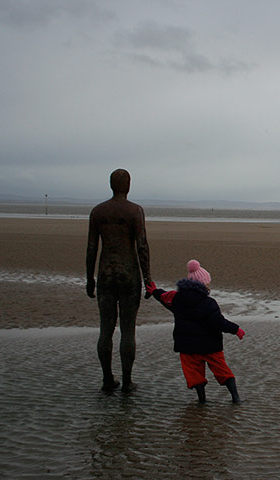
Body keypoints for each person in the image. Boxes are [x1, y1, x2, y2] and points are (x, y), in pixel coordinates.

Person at [87, 169, 151, 393]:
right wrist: (148, 278)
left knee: (105, 329)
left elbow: (92, 248)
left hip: (105, 273)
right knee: (127, 330)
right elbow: (142, 246)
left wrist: (89, 278)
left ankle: (107, 379)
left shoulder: (98, 212)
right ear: (128, 184)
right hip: (128, 274)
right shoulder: (135, 211)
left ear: (111, 184)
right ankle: (126, 380)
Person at [146, 259, 246, 403]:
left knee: (194, 374)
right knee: (222, 371)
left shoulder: (176, 299)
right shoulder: (208, 303)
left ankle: (202, 400)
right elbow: (218, 322)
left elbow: (164, 298)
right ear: (203, 284)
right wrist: (236, 329)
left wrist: (154, 291)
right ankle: (235, 398)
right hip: (210, 346)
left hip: (187, 347)